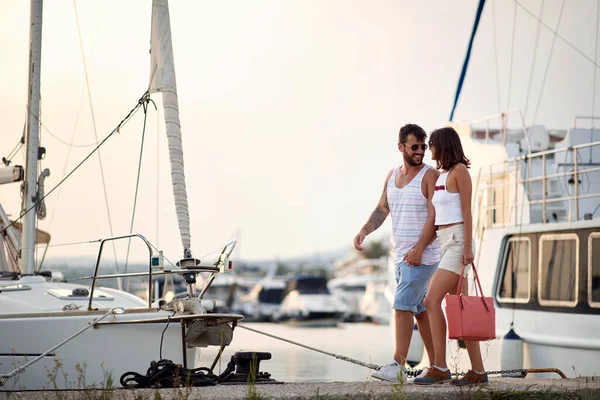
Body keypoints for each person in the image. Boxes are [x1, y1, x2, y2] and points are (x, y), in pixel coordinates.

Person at [354, 123, 440, 383]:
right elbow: (383, 209)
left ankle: (398, 365)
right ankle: (437, 366)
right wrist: (364, 231)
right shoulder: (392, 176)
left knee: (401, 307)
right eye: (415, 146)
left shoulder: (430, 176)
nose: (420, 151)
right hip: (401, 256)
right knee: (420, 310)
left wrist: (420, 248)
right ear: (400, 146)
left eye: (423, 147)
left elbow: (436, 218)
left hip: (422, 257)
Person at [413, 126, 488, 386]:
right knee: (462, 308)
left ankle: (440, 367)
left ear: (443, 145)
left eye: (432, 145)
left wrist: (468, 247)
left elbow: (467, 213)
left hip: (458, 242)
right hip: (446, 241)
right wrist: (421, 246)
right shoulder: (442, 174)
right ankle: (478, 371)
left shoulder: (460, 172)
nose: (429, 149)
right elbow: (439, 218)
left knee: (431, 301)